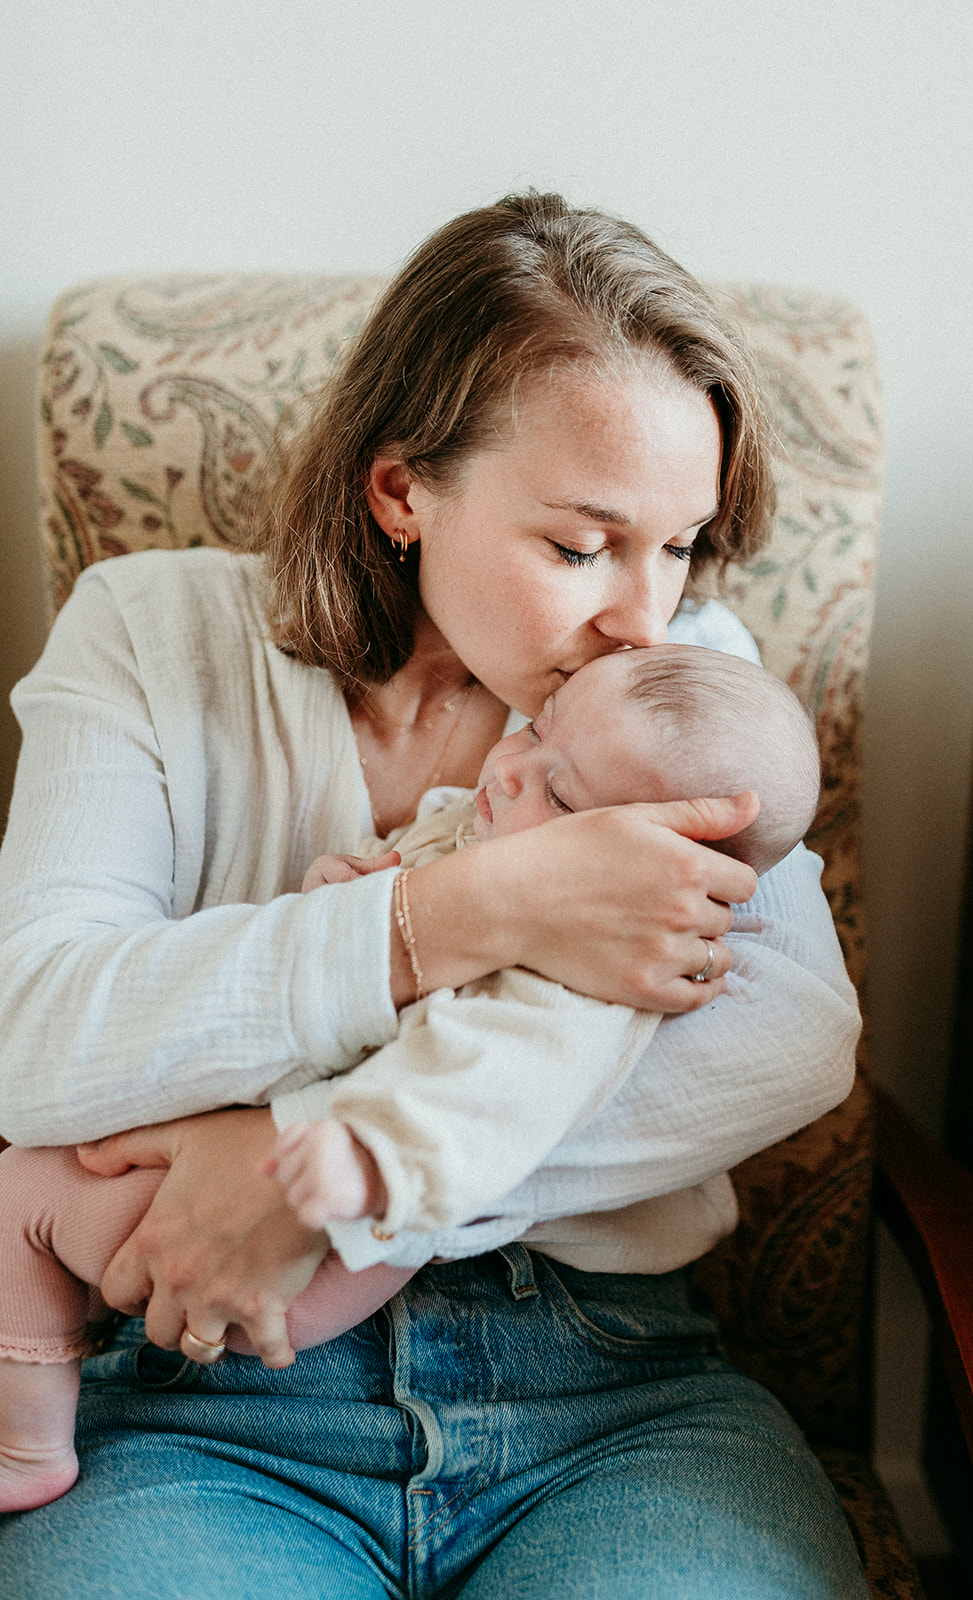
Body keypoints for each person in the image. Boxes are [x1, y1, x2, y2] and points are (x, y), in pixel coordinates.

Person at [0, 193, 865, 1597]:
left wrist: (311, 1177)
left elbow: (785, 1042)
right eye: (579, 546)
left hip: (609, 1391)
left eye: (680, 543)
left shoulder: (680, 676)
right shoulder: (152, 634)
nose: (640, 615)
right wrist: (471, 914)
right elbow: (34, 1036)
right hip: (209, 1393)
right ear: (401, 491)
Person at [0, 642, 822, 1514]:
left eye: (564, 795)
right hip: (266, 1337)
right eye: (534, 732)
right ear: (400, 496)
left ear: (676, 861)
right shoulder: (488, 823)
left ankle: (26, 1448)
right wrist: (353, 892)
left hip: (334, 1256)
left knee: (23, 1198)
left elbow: (498, 1084)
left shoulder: (587, 983)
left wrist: (366, 1156)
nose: (510, 772)